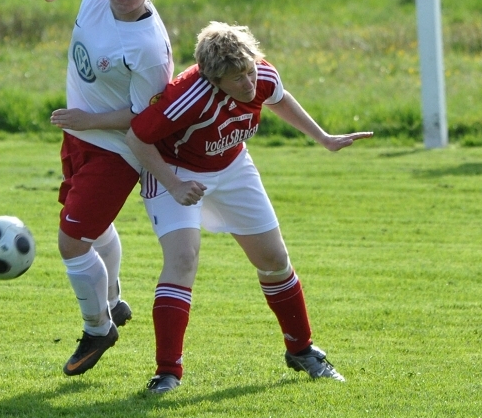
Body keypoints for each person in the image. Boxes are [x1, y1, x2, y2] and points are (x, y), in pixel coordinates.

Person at [125, 22, 373, 393]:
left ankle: (301, 350)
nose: (248, 83)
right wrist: (174, 184)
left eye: (249, 71)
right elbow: (137, 137)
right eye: (236, 78)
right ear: (213, 78)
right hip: (175, 169)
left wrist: (323, 138)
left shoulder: (261, 73)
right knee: (182, 260)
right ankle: (167, 372)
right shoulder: (187, 95)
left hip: (232, 165)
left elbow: (279, 97)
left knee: (274, 260)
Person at [37, 0, 173, 376]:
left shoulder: (148, 48)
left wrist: (87, 118)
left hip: (117, 149)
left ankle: (98, 328)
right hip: (80, 135)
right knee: (91, 228)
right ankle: (112, 300)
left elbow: (141, 117)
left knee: (72, 241)